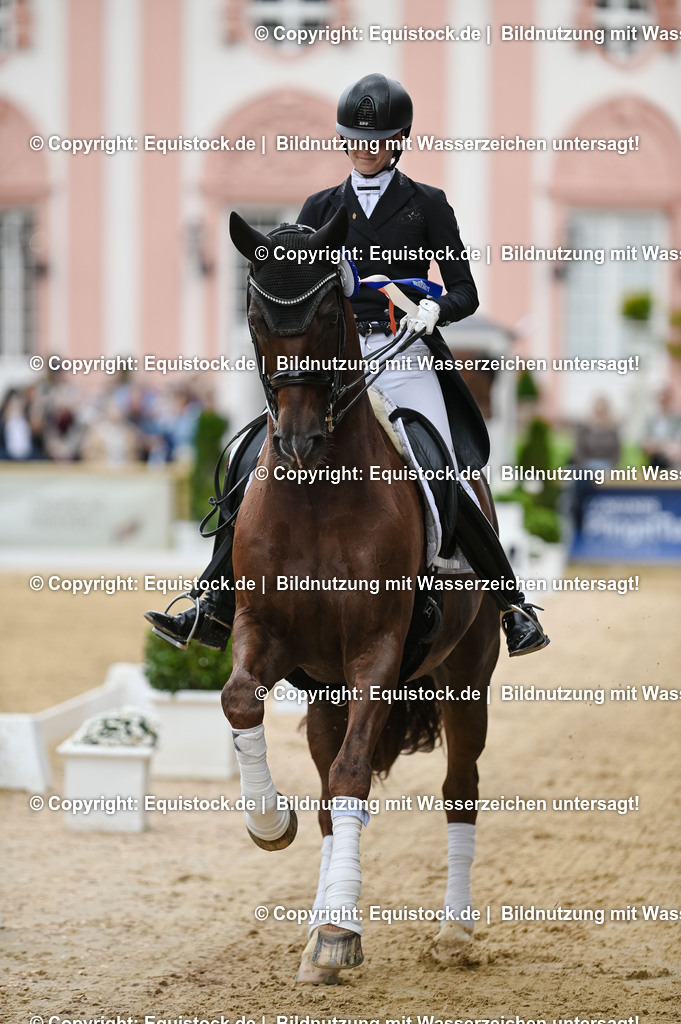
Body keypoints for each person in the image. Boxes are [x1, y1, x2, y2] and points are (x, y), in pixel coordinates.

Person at [146, 73, 548, 657]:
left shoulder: (428, 206)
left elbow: (466, 292)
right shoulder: (320, 207)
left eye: (376, 138)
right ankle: (213, 600)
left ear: (399, 139)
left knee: (443, 467)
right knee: (250, 455)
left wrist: (434, 310)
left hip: (405, 351)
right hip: (333, 359)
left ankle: (510, 605)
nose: (363, 148)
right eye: (354, 138)